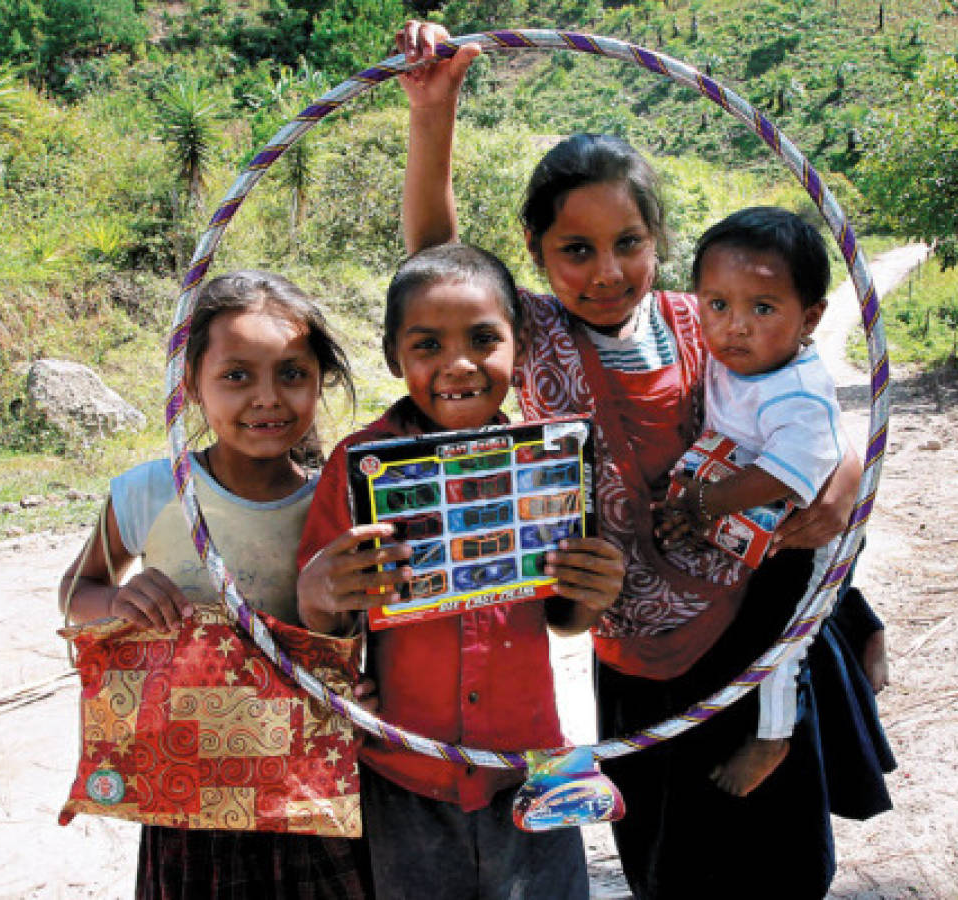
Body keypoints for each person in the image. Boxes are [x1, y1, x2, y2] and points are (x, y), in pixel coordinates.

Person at [395, 22, 874, 899]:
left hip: (750, 627)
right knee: (670, 864)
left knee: (781, 860)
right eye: (574, 250)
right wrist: (435, 110)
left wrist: (840, 481)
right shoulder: (532, 334)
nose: (605, 271)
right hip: (634, 658)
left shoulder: (716, 321)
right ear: (537, 256)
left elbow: (811, 410)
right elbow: (437, 262)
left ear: (659, 241)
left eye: (628, 244)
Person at [295, 242, 626, 900]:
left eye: (482, 338)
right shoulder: (359, 464)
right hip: (404, 772)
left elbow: (561, 615)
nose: (458, 365)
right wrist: (318, 594)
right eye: (427, 346)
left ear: (518, 343)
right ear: (395, 357)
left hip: (530, 767)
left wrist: (592, 592)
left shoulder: (549, 461)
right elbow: (326, 625)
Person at [59, 269, 373, 900]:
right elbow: (77, 592)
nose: (268, 397)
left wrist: (366, 686)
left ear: (319, 382)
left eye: (292, 373)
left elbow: (366, 633)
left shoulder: (336, 505)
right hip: (184, 792)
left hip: (305, 790)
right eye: (236, 376)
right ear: (191, 387)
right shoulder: (151, 492)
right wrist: (120, 600)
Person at [658, 206, 850, 798]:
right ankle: (863, 625)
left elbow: (784, 477)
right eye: (717, 305)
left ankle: (773, 736)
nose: (734, 327)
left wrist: (702, 503)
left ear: (810, 318)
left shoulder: (796, 393)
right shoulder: (735, 353)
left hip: (799, 530)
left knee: (780, 640)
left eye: (762, 309)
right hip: (745, 514)